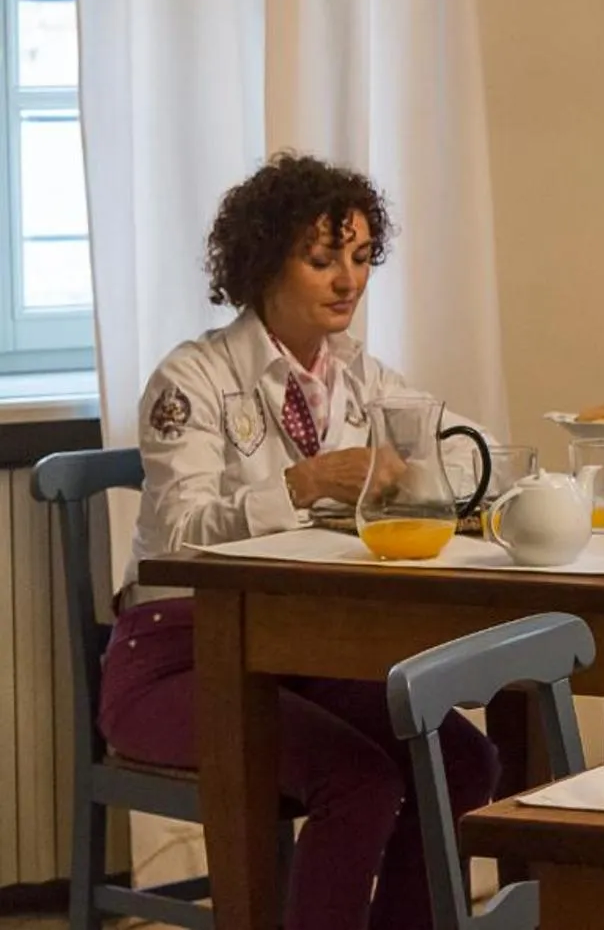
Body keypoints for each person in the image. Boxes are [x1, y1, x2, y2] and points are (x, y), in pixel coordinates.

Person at [104, 153, 496, 930]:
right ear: (261, 263)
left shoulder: (359, 374)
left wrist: (419, 464)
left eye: (358, 258)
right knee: (358, 778)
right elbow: (177, 536)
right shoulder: (192, 378)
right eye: (321, 260)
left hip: (298, 653)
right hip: (178, 656)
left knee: (463, 758)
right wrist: (304, 482)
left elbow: (464, 445)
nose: (347, 280)